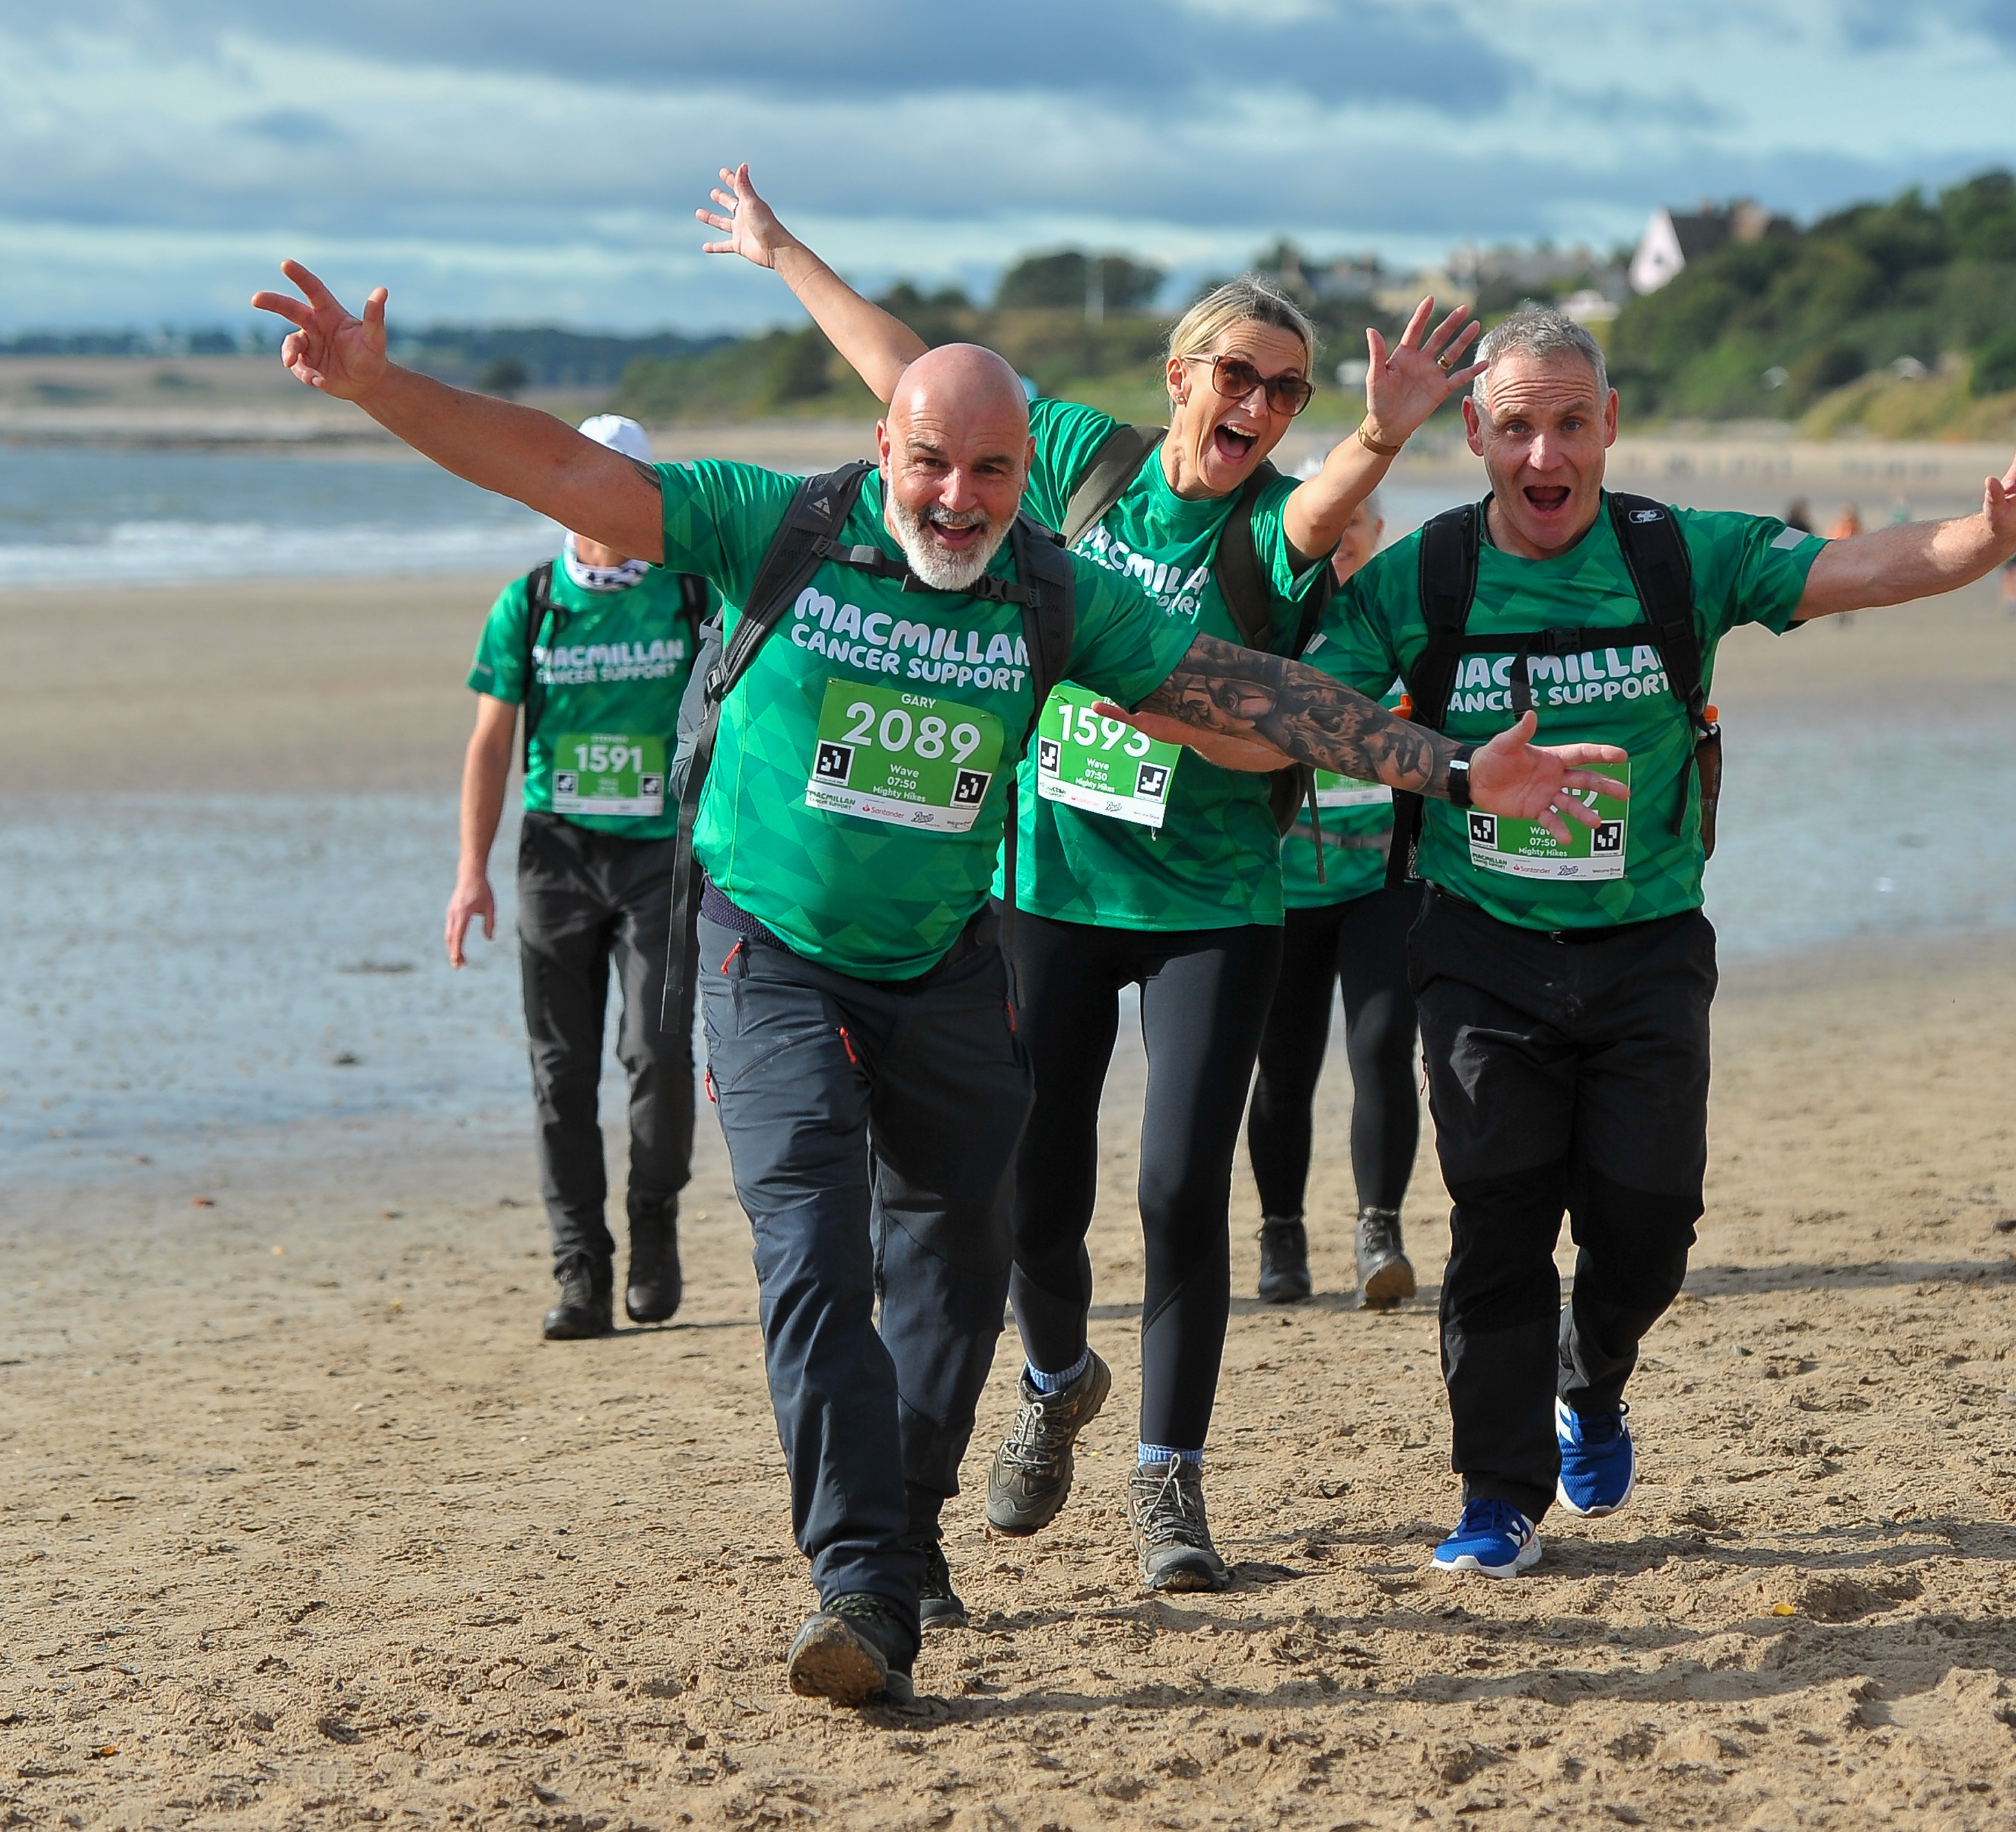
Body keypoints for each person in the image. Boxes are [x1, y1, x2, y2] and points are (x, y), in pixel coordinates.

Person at [254, 264, 1620, 1705]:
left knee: (959, 1280)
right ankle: (861, 1576)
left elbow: (1240, 690)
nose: (956, 498)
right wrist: (377, 386)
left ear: (1028, 473)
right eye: (928, 462)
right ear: (882, 452)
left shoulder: (1049, 589)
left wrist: (1453, 765)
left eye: (988, 469)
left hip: (947, 961)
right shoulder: (772, 522)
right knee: (810, 1253)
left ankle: (897, 1541)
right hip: (767, 945)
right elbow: (553, 462)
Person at [694, 168, 1480, 1593]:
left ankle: (1169, 1484)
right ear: (1179, 374)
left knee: (1182, 1186)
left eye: (1284, 392)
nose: (1253, 405)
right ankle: (1052, 1375)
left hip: (1212, 900)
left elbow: (1331, 508)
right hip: (1045, 881)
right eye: (1235, 373)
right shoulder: (1073, 462)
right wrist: (780, 249)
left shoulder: (1277, 524)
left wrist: (1377, 429)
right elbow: (904, 369)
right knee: (1029, 1199)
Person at [1295, 308, 2016, 1578]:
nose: (1543, 454)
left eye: (1569, 423)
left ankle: (1592, 1377)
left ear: (1609, 426)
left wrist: (1994, 533)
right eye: (1516, 428)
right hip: (1478, 946)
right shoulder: (1426, 577)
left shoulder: (1678, 558)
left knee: (1649, 1225)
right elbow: (1310, 704)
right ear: (1476, 435)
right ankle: (1496, 1500)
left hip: (1647, 948)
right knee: (1498, 1222)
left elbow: (1865, 567)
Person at [449, 414, 705, 1341]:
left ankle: (654, 1219)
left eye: (630, 484)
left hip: (658, 857)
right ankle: (580, 1269)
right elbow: (491, 742)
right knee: (560, 1073)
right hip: (556, 855)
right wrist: (469, 872)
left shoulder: (689, 597)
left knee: (657, 1054)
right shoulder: (531, 602)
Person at [1242, 484, 1421, 1308]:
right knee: (1283, 1066)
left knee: (1382, 1046)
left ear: (1377, 531)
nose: (1341, 540)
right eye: (1328, 527)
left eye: (1356, 526)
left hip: (1381, 879)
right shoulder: (1274, 618)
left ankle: (1378, 1230)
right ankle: (1282, 1237)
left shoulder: (1398, 622)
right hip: (1283, 881)